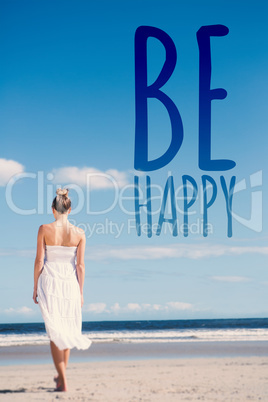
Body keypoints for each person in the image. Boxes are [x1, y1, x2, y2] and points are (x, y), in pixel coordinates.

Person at [33, 188, 92, 392]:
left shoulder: (44, 228)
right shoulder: (80, 233)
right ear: (70, 209)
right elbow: (81, 266)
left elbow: (40, 260)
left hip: (50, 281)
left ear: (53, 209)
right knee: (67, 330)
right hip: (70, 283)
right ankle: (61, 377)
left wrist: (35, 287)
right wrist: (81, 292)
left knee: (55, 332)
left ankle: (63, 380)